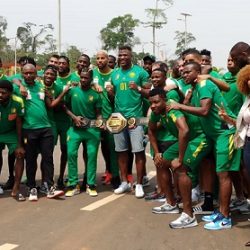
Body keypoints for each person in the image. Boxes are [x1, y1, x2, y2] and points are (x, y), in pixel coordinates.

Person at [167, 62, 241, 230]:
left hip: (225, 133)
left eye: (188, 72)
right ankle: (221, 211)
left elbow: (205, 110)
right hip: (215, 136)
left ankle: (225, 217)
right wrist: (186, 101)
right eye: (182, 72)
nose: (184, 75)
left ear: (197, 72)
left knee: (223, 175)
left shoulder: (203, 84)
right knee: (220, 173)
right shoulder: (197, 87)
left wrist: (179, 105)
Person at [17, 63, 64, 201]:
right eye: (26, 73)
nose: (29, 75)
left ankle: (49, 187)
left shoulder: (42, 87)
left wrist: (50, 96)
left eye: (32, 73)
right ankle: (32, 187)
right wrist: (20, 84)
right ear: (22, 74)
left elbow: (50, 105)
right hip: (29, 129)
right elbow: (11, 81)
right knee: (30, 160)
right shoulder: (18, 87)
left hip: (46, 128)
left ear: (36, 74)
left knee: (48, 158)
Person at [109, 45, 150, 198]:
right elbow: (114, 97)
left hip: (136, 119)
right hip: (118, 119)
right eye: (120, 55)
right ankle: (125, 182)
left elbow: (149, 93)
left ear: (131, 56)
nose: (122, 58)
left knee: (138, 152)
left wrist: (138, 88)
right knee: (121, 152)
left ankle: (139, 184)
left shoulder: (140, 72)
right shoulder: (114, 74)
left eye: (125, 55)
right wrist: (110, 92)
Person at [65, 68, 102, 197]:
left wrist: (100, 121)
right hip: (74, 130)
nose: (83, 80)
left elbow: (98, 114)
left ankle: (90, 185)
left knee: (91, 155)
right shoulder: (72, 91)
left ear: (91, 80)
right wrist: (74, 117)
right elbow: (65, 107)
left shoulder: (96, 94)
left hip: (92, 130)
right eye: (82, 77)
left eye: (86, 78)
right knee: (71, 153)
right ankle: (73, 184)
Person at [92, 50, 120, 188]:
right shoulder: (93, 73)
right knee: (97, 147)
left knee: (113, 147)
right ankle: (94, 177)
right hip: (96, 117)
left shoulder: (115, 74)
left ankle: (116, 175)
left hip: (111, 116)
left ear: (108, 59)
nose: (100, 60)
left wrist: (110, 92)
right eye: (98, 58)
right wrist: (93, 86)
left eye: (103, 58)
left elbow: (117, 96)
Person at [0, 80, 25, 200]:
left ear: (10, 93)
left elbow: (19, 124)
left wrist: (20, 144)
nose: (0, 95)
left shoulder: (17, 102)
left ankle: (16, 186)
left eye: (3, 93)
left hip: (11, 133)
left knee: (20, 154)